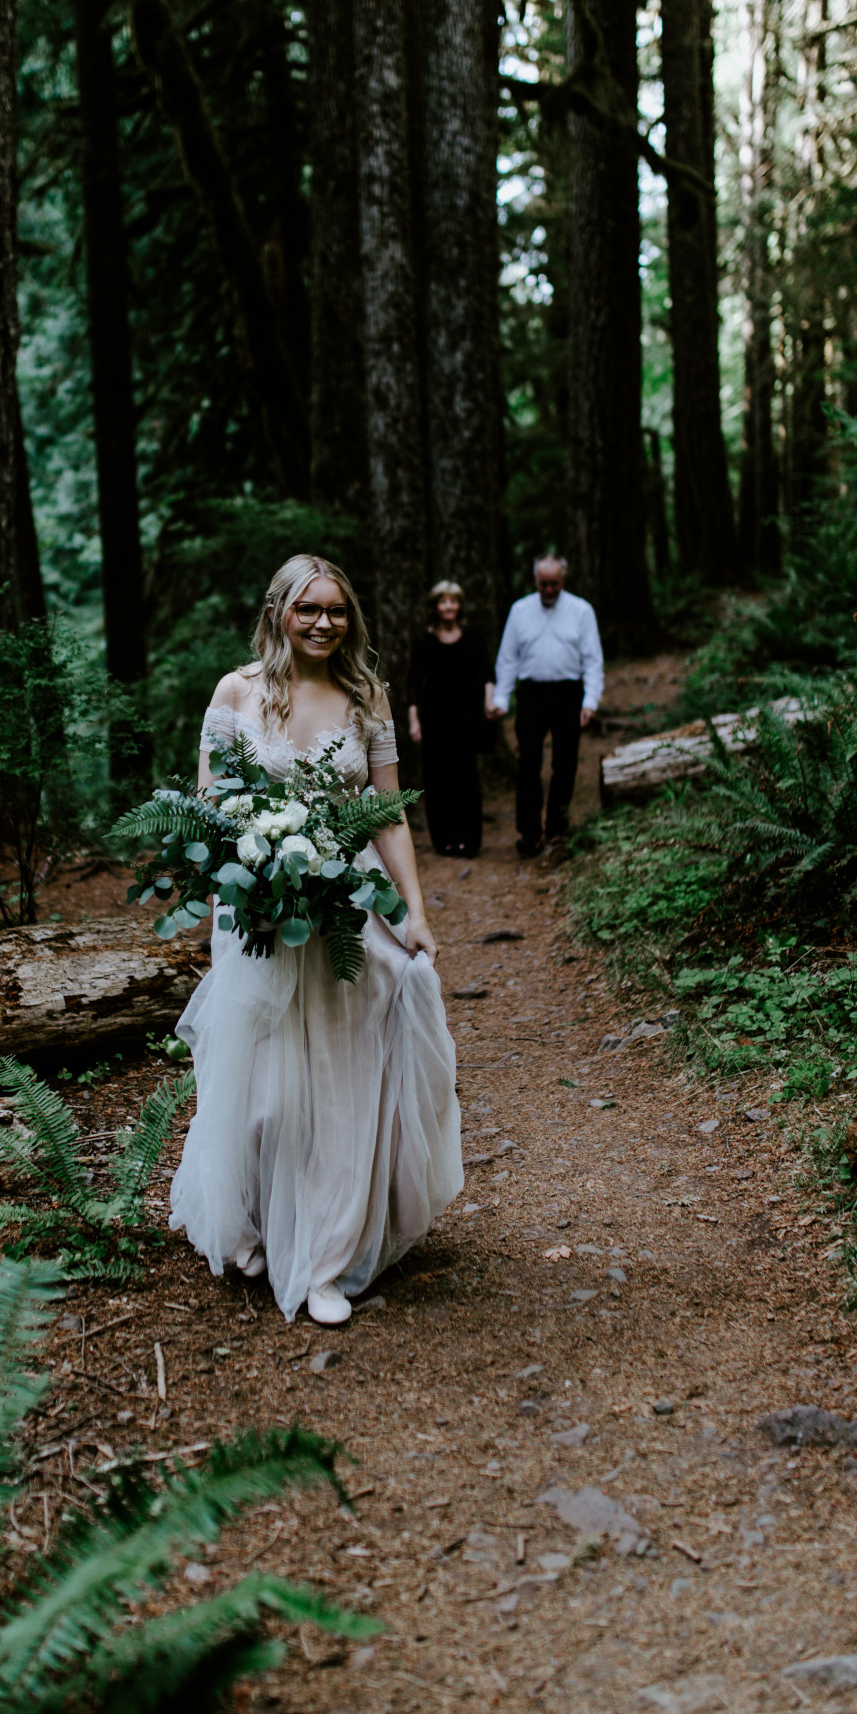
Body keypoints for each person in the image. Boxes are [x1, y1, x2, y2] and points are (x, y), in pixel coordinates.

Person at [169, 554, 463, 1329]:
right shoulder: (236, 694)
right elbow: (211, 807)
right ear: (279, 614)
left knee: (340, 1084)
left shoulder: (365, 696)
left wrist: (416, 911)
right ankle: (256, 1223)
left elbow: (390, 812)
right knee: (262, 1093)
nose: (325, 623)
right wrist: (249, 878)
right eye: (309, 610)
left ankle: (328, 1257)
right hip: (260, 910)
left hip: (346, 910)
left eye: (337, 610)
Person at [490, 552, 604, 855]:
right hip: (531, 694)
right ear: (535, 580)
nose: (549, 590)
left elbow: (593, 660)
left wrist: (590, 701)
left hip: (569, 693)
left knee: (565, 763)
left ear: (563, 579)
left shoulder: (582, 610)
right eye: (543, 584)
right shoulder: (520, 610)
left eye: (554, 584)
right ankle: (529, 834)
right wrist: (502, 697)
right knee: (529, 763)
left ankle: (558, 829)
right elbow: (507, 659)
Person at [406, 580, 495, 858]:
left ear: (460, 605)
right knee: (438, 779)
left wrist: (489, 702)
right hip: (434, 719)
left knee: (466, 778)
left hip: (467, 718)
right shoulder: (424, 641)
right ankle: (444, 839)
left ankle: (469, 840)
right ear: (435, 607)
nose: (448, 607)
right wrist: (414, 721)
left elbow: (487, 674)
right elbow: (412, 683)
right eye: (443, 601)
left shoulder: (473, 637)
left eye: (453, 601)